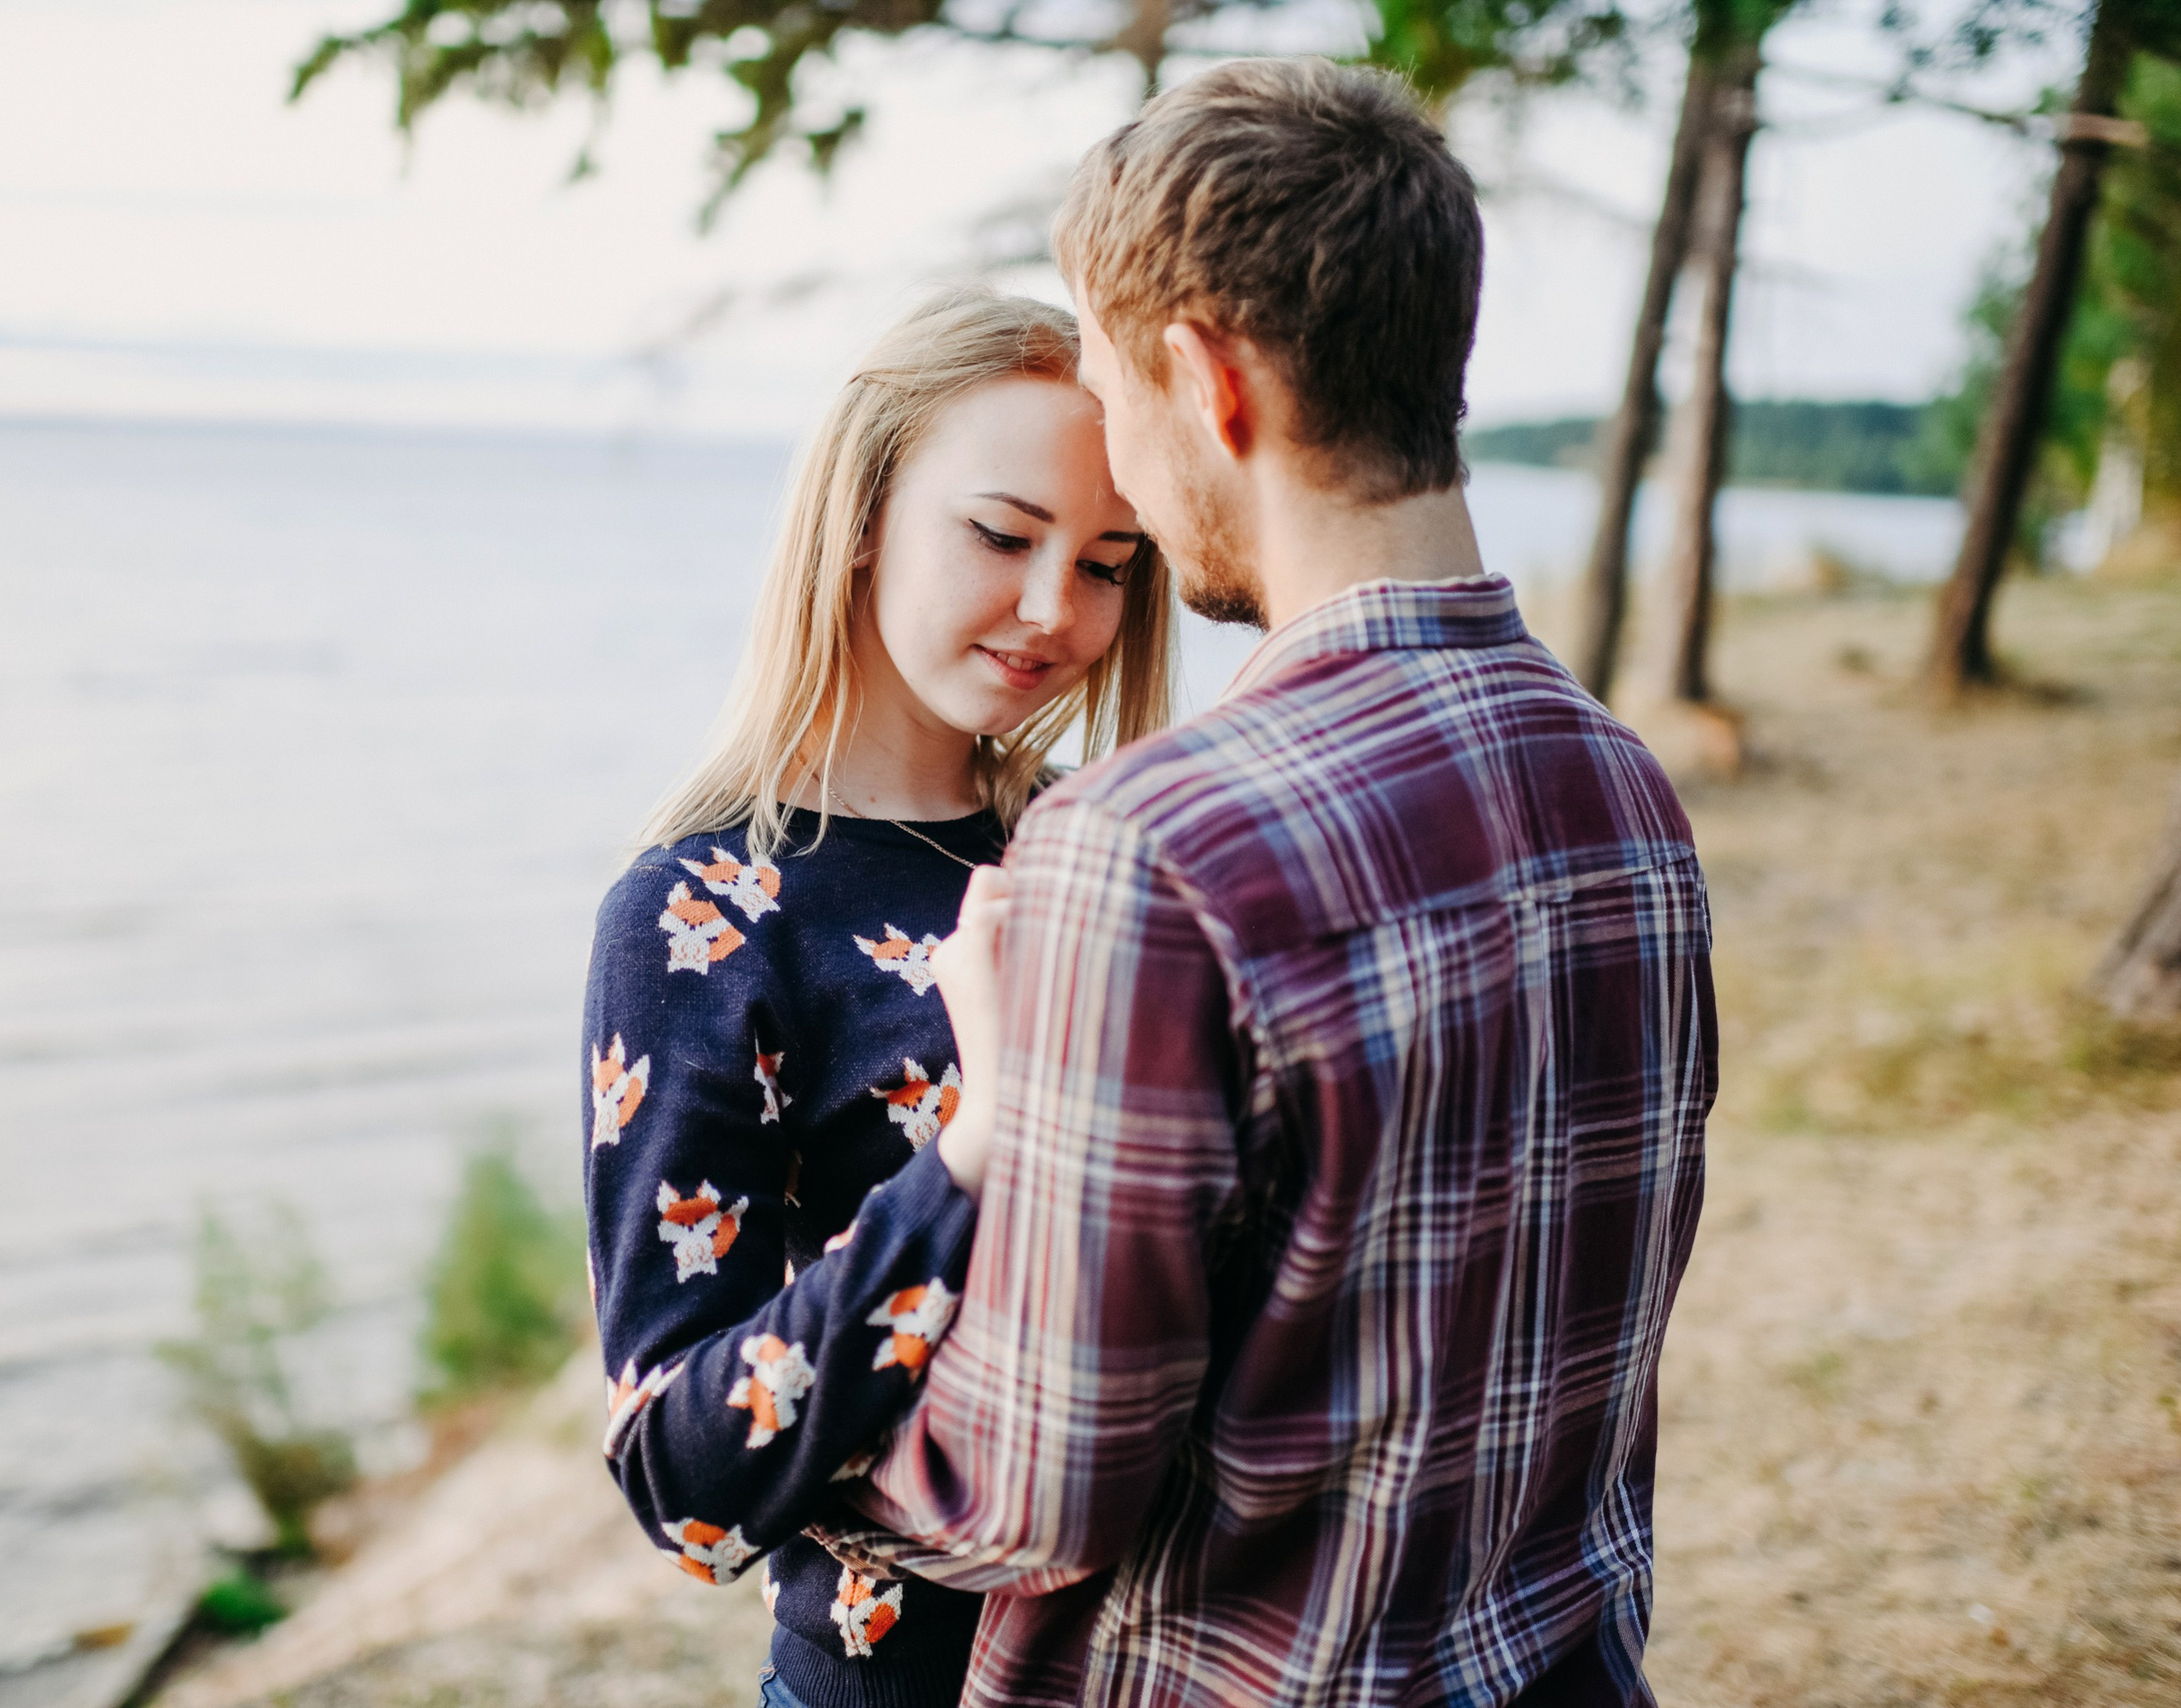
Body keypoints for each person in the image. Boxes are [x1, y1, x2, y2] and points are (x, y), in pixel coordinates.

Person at [838, 60, 1718, 1708]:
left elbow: (1032, 1488)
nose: (1130, 490)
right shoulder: (1626, 787)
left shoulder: (1148, 851)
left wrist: (744, 1452)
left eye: (1112, 397)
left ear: (1205, 382)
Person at [580, 287, 1175, 1708]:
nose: (1055, 609)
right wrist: (977, 1152)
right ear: (862, 512)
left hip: (1188, 1665)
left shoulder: (1102, 843)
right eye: (1002, 533)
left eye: (1107, 560)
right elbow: (677, 1475)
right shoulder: (702, 917)